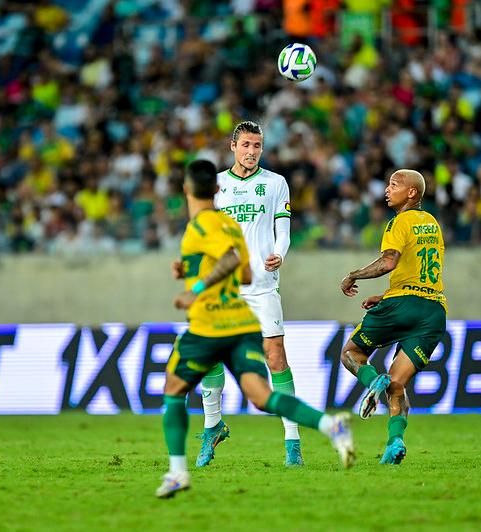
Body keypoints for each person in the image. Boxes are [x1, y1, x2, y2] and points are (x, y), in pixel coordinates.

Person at [158, 160, 354, 498]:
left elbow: (232, 263)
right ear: (217, 190)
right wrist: (188, 269)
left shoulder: (201, 225)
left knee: (174, 389)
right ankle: (329, 425)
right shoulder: (229, 226)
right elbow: (245, 273)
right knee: (261, 396)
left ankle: (177, 472)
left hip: (212, 322)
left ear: (187, 190)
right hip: (241, 321)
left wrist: (197, 288)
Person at [195, 121, 301, 467]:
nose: (252, 152)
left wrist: (280, 254)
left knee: (275, 358)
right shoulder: (217, 186)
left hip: (262, 286)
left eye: (257, 146)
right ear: (233, 146)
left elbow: (282, 231)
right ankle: (213, 427)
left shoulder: (275, 183)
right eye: (246, 145)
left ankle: (292, 442)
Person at [338, 169, 447, 465]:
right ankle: (395, 443)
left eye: (394, 185)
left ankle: (374, 381)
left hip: (403, 306)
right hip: (433, 312)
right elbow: (420, 274)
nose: (387, 189)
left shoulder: (399, 222)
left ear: (412, 193)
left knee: (352, 353)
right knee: (398, 385)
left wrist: (353, 275)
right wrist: (386, 295)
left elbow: (389, 262)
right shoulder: (432, 223)